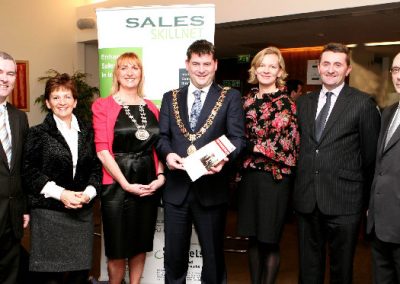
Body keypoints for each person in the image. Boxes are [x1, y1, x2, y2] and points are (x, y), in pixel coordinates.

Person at [157, 39, 246, 284]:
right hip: (176, 190)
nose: (201, 69)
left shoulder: (230, 97)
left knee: (213, 257)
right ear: (187, 64)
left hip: (212, 189)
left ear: (215, 65)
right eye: (196, 63)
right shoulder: (170, 97)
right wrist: (167, 155)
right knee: (173, 258)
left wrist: (224, 159)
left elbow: (238, 138)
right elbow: (162, 137)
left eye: (206, 63)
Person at [293, 42, 381, 284]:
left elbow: (370, 157)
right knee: (308, 268)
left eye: (338, 64)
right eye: (326, 64)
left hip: (345, 200)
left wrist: (365, 201)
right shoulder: (303, 103)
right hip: (307, 198)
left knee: (341, 270)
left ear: (348, 70)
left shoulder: (363, 104)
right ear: (319, 67)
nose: (331, 69)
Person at [92, 52, 165, 284]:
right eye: (124, 68)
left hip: (147, 180)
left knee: (140, 242)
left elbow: (159, 146)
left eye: (135, 67)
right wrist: (124, 184)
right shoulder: (103, 105)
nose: (130, 72)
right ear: (116, 73)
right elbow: (103, 151)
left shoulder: (151, 106)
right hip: (115, 183)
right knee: (117, 247)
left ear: (141, 73)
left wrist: (161, 175)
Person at [22, 73, 102, 284]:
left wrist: (88, 194)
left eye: (67, 96)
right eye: (56, 97)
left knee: (79, 276)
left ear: (75, 101)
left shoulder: (88, 131)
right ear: (48, 103)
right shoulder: (36, 133)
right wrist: (61, 194)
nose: (62, 102)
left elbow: (96, 167)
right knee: (50, 278)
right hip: (48, 214)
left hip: (81, 213)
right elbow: (29, 171)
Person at [237, 46, 299, 284]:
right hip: (249, 177)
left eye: (272, 66)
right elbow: (235, 136)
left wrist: (251, 147)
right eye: (262, 64)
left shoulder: (287, 103)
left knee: (269, 240)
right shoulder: (245, 100)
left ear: (279, 71)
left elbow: (288, 148)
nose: (266, 70)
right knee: (253, 238)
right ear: (254, 68)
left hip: (275, 179)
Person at [367, 52, 400, 283]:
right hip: (381, 223)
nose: (399, 76)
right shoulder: (388, 112)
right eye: (396, 70)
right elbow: (380, 165)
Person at [0, 51, 29, 284]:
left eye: (10, 73)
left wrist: (25, 207)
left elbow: (21, 166)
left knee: (10, 273)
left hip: (13, 213)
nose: (5, 78)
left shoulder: (19, 117)